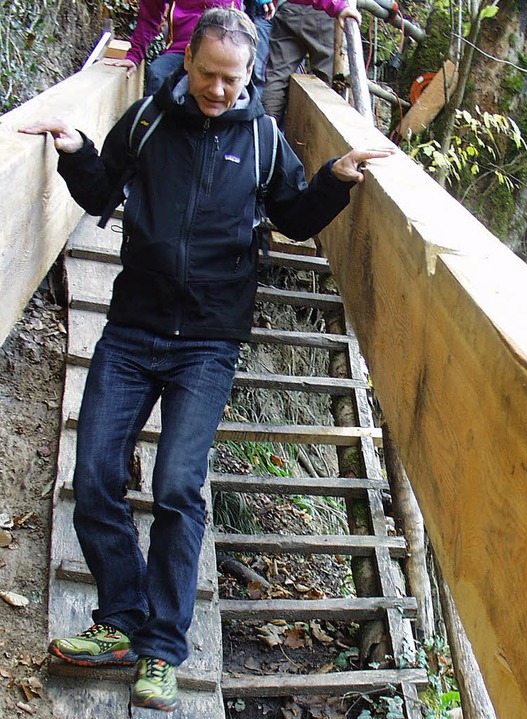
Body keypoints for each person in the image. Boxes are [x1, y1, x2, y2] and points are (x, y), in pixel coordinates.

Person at [21, 7, 393, 713]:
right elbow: (103, 191)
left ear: (250, 75)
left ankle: (162, 648)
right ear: (187, 62)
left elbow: (291, 214)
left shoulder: (260, 137)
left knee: (178, 487)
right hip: (132, 329)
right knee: (95, 472)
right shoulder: (149, 119)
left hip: (209, 342)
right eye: (209, 75)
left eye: (234, 78)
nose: (220, 90)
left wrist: (336, 179)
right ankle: (122, 618)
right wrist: (74, 148)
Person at [106, 0, 275, 94]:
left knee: (233, 90)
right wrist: (134, 56)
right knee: (158, 74)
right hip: (181, 50)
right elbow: (149, 16)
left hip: (223, 53)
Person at [261, 0, 361, 123]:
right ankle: (322, 135)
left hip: (288, 9)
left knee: (277, 77)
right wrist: (338, 6)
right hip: (325, 12)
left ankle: (267, 131)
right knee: (325, 82)